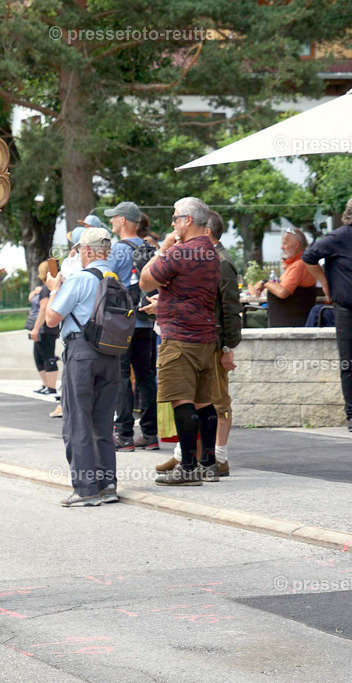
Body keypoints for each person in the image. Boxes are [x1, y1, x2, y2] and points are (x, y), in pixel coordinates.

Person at [139, 197, 221, 486]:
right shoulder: (210, 251)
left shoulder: (180, 252)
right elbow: (191, 290)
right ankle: (208, 463)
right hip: (204, 336)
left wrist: (162, 249)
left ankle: (187, 468)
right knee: (204, 402)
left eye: (175, 218)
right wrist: (167, 300)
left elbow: (145, 281)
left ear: (187, 220)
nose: (172, 223)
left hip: (179, 337)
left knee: (182, 400)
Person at [45, 228, 120, 506]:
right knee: (102, 422)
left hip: (82, 353)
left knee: (77, 420)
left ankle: (86, 489)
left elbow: (52, 319)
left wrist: (55, 290)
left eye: (78, 250)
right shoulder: (115, 279)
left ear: (87, 251)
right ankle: (108, 485)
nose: (76, 254)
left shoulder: (79, 279)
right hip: (111, 355)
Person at [302, 192, 352, 431]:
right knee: (350, 365)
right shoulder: (338, 238)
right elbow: (308, 257)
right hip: (349, 312)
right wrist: (326, 282)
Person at [106, 201, 159, 451]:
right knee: (146, 376)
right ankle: (150, 434)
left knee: (121, 376)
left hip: (122, 322)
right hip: (146, 320)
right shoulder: (149, 247)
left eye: (114, 218)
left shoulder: (117, 250)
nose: (112, 222)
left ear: (124, 221)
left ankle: (124, 434)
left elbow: (105, 280)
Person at [249, 227, 319, 327]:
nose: (282, 247)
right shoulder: (300, 264)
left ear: (296, 245)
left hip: (285, 323)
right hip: (289, 319)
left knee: (243, 317)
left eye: (284, 243)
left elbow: (282, 292)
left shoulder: (299, 265)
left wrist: (264, 282)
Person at [27, 261, 60, 397]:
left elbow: (43, 309)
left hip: (46, 328)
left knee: (47, 355)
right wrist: (35, 292)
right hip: (43, 327)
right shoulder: (43, 288)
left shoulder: (47, 289)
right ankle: (46, 384)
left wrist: (36, 328)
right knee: (38, 355)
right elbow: (31, 299)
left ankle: (51, 386)